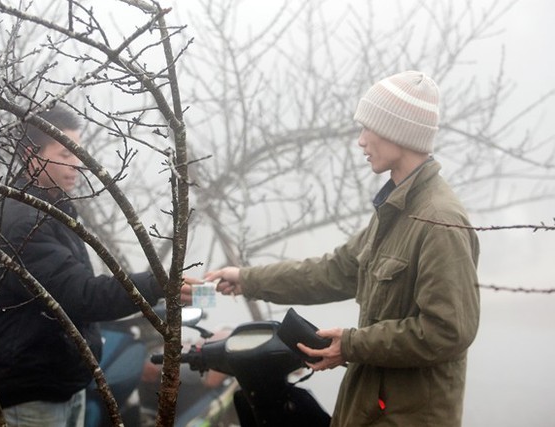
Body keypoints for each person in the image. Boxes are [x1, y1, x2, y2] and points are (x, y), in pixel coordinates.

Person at [185, 71, 480, 426]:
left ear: (396, 132)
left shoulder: (439, 220)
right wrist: (246, 279)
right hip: (371, 406)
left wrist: (351, 345)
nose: (360, 140)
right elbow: (333, 271)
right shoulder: (394, 212)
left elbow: (447, 332)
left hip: (408, 417)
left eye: (367, 127)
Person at [0, 106, 170, 427]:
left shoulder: (52, 211)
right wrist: (157, 284)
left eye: (78, 153)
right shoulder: (23, 222)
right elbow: (81, 295)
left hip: (62, 380)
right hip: (34, 391)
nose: (77, 163)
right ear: (31, 155)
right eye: (65, 153)